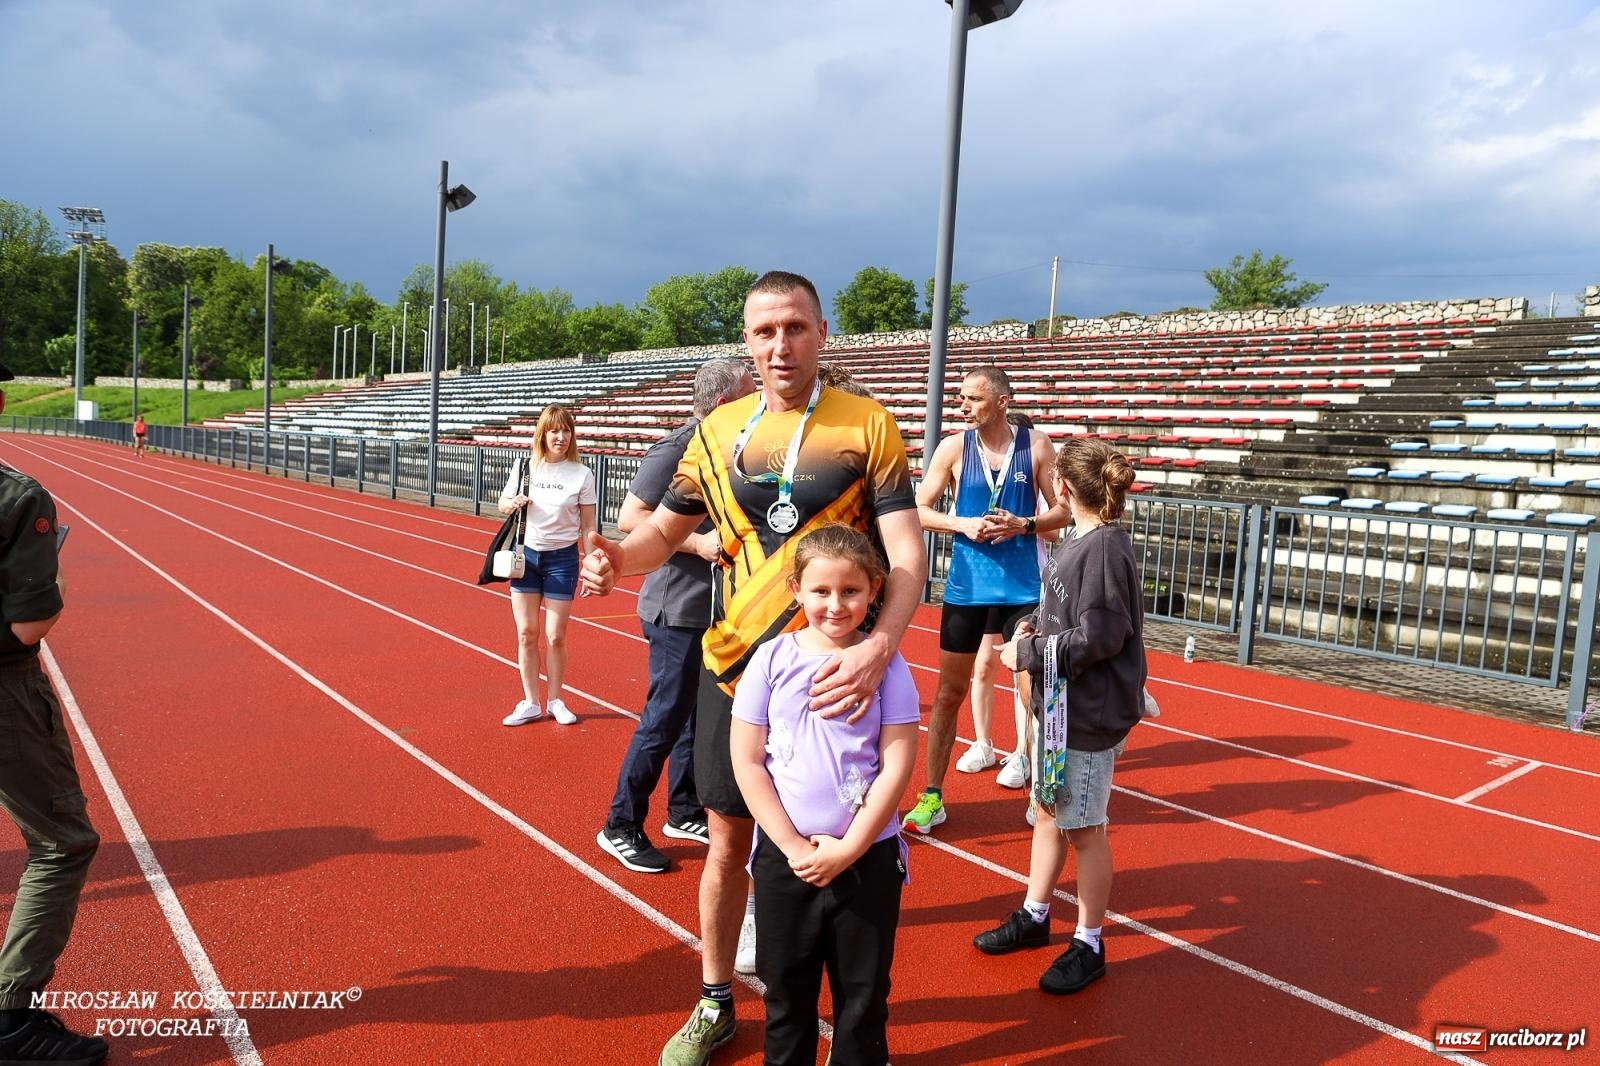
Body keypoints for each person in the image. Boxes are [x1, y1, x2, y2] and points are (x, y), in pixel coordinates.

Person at [580, 270, 926, 1066]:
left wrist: (880, 645)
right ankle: (712, 1004)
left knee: (846, 836)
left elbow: (905, 552)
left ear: (822, 333)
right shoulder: (718, 430)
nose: (781, 344)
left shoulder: (867, 426)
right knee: (729, 845)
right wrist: (613, 561)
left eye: (796, 328)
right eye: (766, 330)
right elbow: (661, 537)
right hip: (737, 674)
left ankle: (847, 1021)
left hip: (839, 675)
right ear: (747, 340)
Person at [729, 524, 917, 1066]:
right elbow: (747, 760)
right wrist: (790, 845)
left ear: (874, 589)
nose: (836, 605)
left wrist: (851, 846)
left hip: (867, 860)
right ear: (796, 589)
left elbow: (897, 762)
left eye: (851, 591)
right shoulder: (769, 661)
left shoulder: (887, 666)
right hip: (786, 864)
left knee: (862, 998)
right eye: (821, 591)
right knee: (787, 996)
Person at [975, 436, 1146, 996]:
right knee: (1049, 811)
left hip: (1086, 715)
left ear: (1064, 489)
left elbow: (1101, 635)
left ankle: (1091, 941)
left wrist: (1029, 653)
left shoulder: (1100, 548)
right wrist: (1034, 627)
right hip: (1061, 709)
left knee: (1086, 829)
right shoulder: (1085, 539)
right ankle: (1035, 912)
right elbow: (1070, 614)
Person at [597, 358, 756, 875]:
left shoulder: (732, 451)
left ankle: (684, 810)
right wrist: (697, 542)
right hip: (676, 609)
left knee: (696, 714)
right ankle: (620, 824)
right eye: (749, 393)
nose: (759, 403)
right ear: (722, 404)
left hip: (715, 609)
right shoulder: (675, 449)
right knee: (665, 716)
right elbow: (630, 519)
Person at [0, 360, 109, 1066]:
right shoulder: (17, 497)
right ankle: (12, 1018)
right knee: (62, 841)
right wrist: (53, 582)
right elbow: (27, 628)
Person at [903, 368, 1063, 833]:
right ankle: (933, 795)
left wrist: (1023, 524)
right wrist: (962, 524)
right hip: (967, 589)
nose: (963, 405)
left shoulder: (1036, 446)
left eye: (972, 398)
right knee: (948, 692)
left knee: (1033, 690)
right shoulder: (953, 447)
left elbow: (1060, 513)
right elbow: (919, 508)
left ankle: (1042, 793)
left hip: (1023, 590)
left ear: (1002, 401)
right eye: (960, 398)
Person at [497, 404, 596, 727]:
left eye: (566, 430)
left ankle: (555, 700)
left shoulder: (582, 474)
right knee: (526, 633)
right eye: (554, 430)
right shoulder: (525, 466)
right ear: (543, 434)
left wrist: (590, 561)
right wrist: (512, 503)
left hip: (562, 559)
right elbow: (501, 503)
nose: (561, 437)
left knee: (555, 636)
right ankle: (530, 702)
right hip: (526, 557)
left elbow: (588, 526)